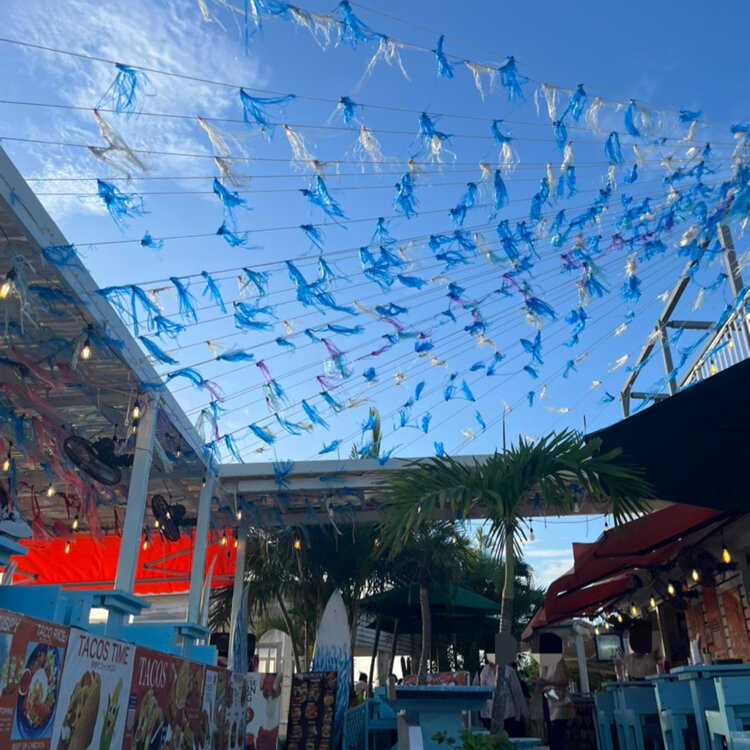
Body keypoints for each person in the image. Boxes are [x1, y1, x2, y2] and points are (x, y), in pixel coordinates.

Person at [534, 632, 574, 750]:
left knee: (556, 735)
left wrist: (547, 682)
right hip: (547, 698)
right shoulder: (542, 664)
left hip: (559, 699)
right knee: (550, 733)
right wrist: (539, 682)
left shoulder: (558, 661)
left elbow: (564, 682)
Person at [476, 655, 529, 736]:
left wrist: (523, 714)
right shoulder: (483, 672)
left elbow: (517, 693)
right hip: (488, 715)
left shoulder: (509, 671)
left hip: (507, 714)